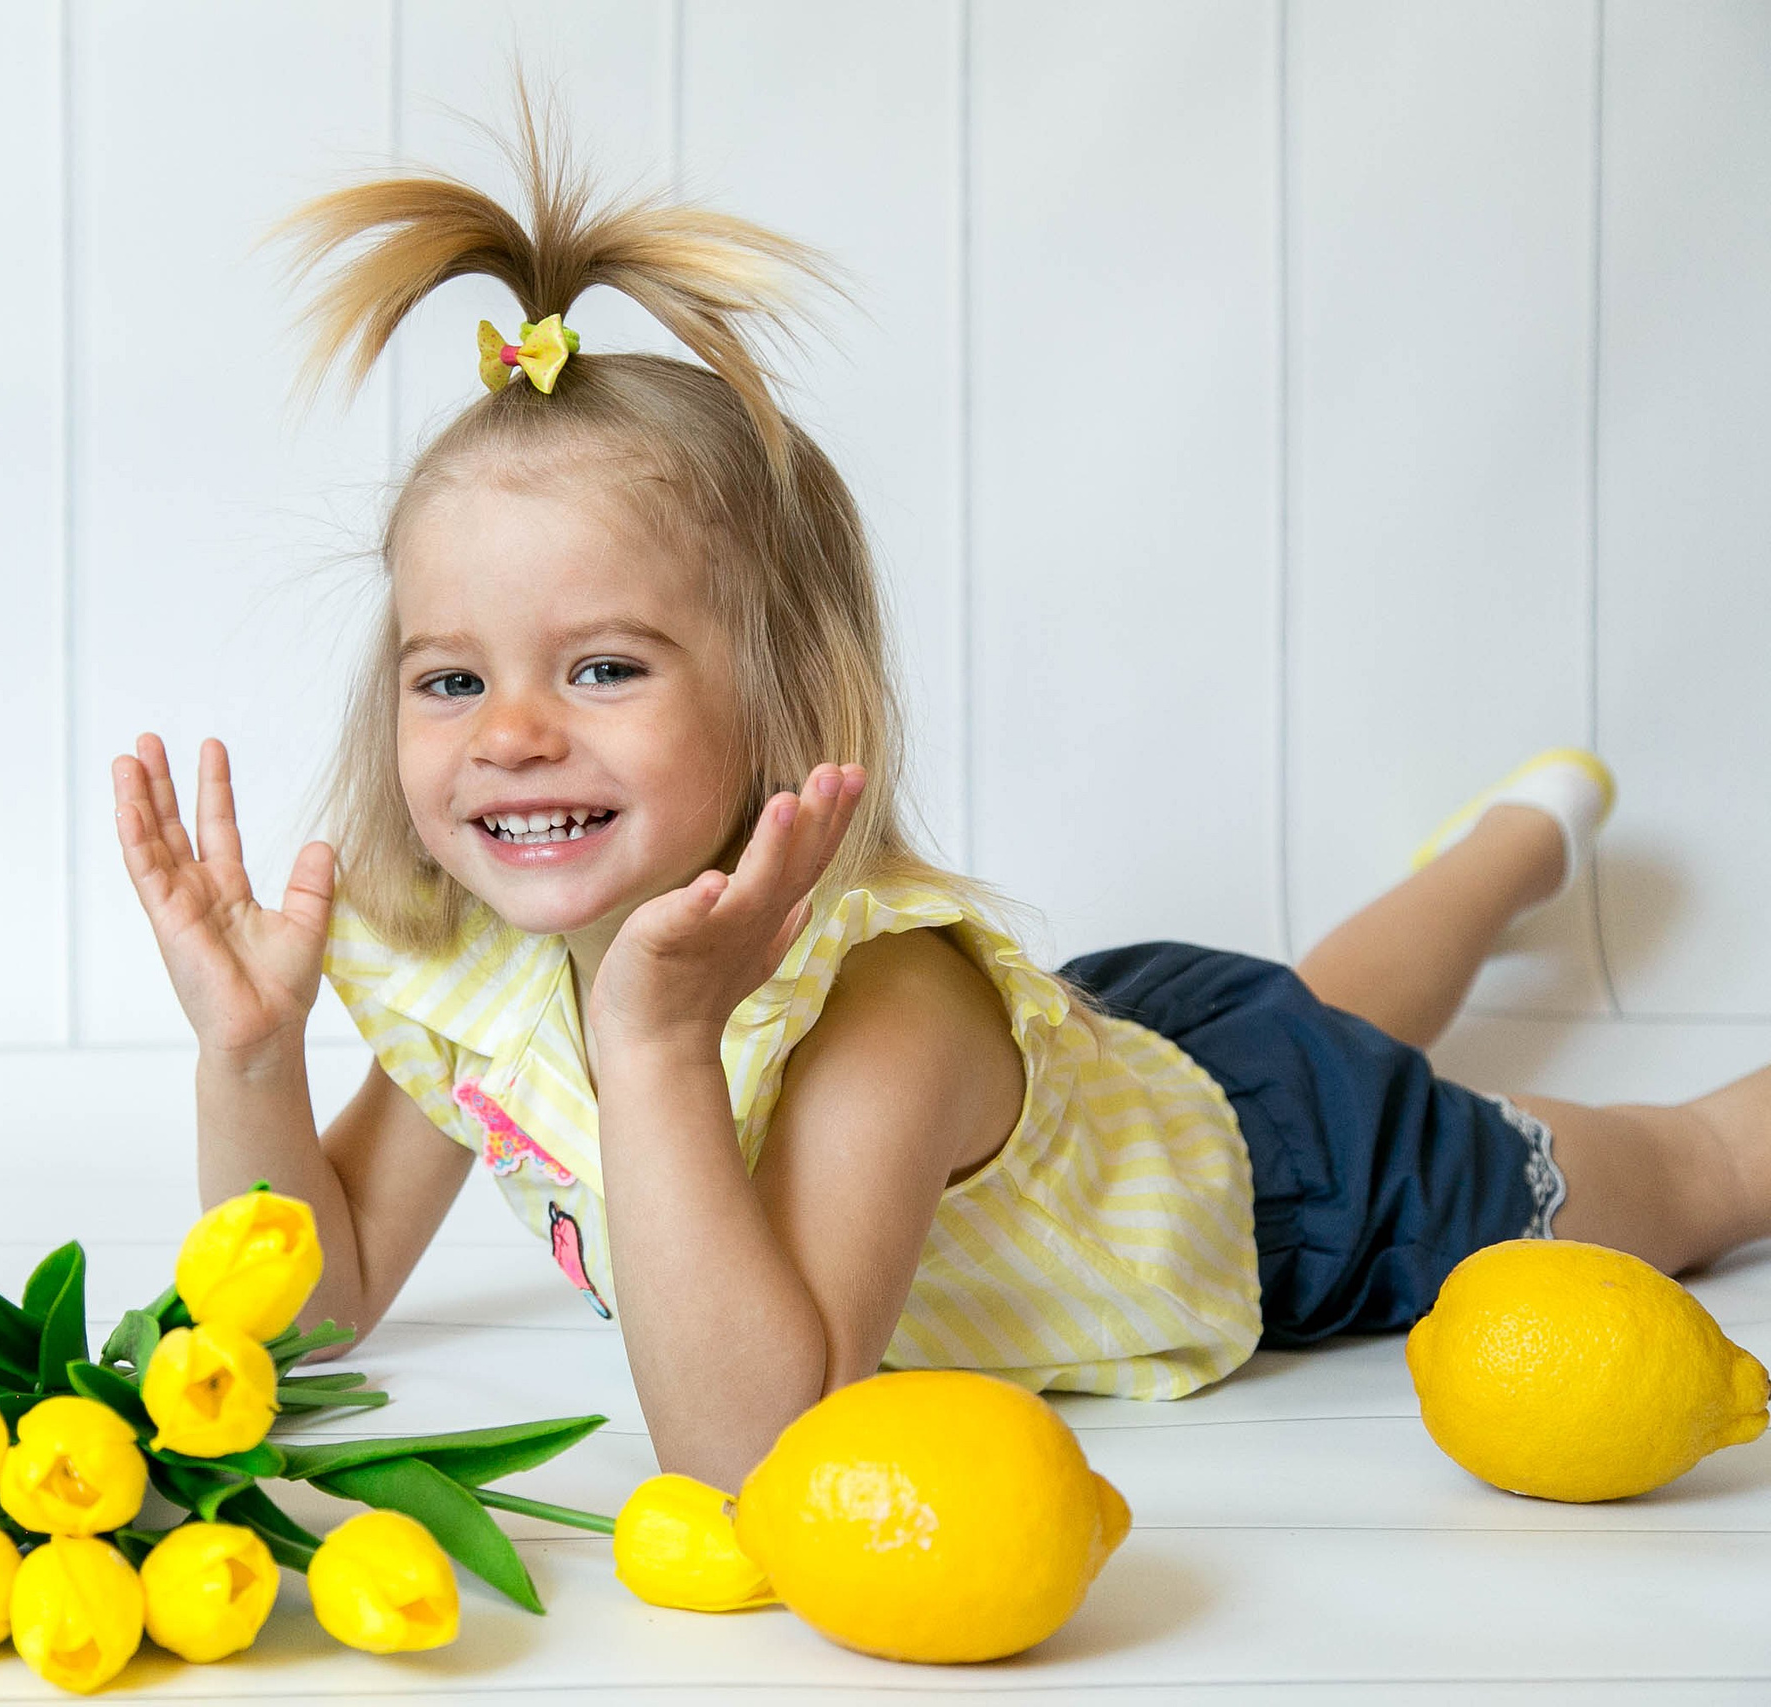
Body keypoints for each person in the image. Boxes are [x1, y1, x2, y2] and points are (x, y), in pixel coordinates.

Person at [108, 111, 1771, 1493]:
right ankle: (1508, 849)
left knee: (1680, 1172)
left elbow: (758, 1457)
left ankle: (1514, 855)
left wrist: (661, 1049)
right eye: (450, 678)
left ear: (783, 699)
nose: (511, 734)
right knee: (1315, 1010)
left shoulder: (881, 1013)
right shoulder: (478, 976)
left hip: (1292, 1185)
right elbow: (314, 1319)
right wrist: (251, 1062)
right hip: (1137, 1065)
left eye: (603, 669)